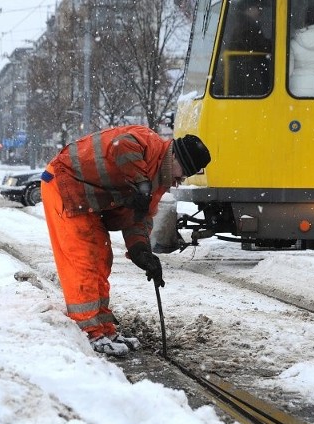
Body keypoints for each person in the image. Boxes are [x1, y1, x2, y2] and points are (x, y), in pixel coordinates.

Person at [41, 125, 211, 356]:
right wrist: (140, 183)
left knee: (102, 259)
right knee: (84, 258)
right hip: (64, 182)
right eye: (185, 171)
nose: (182, 179)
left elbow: (138, 219)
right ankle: (88, 331)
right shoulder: (148, 142)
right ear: (174, 157)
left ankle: (104, 328)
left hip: (88, 199)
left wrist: (142, 252)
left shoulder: (158, 185)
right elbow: (123, 144)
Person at [215, 0, 272, 96]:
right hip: (248, 75)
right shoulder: (247, 26)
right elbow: (260, 46)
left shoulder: (240, 24)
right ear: (248, 9)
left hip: (243, 74)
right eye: (257, 8)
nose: (260, 11)